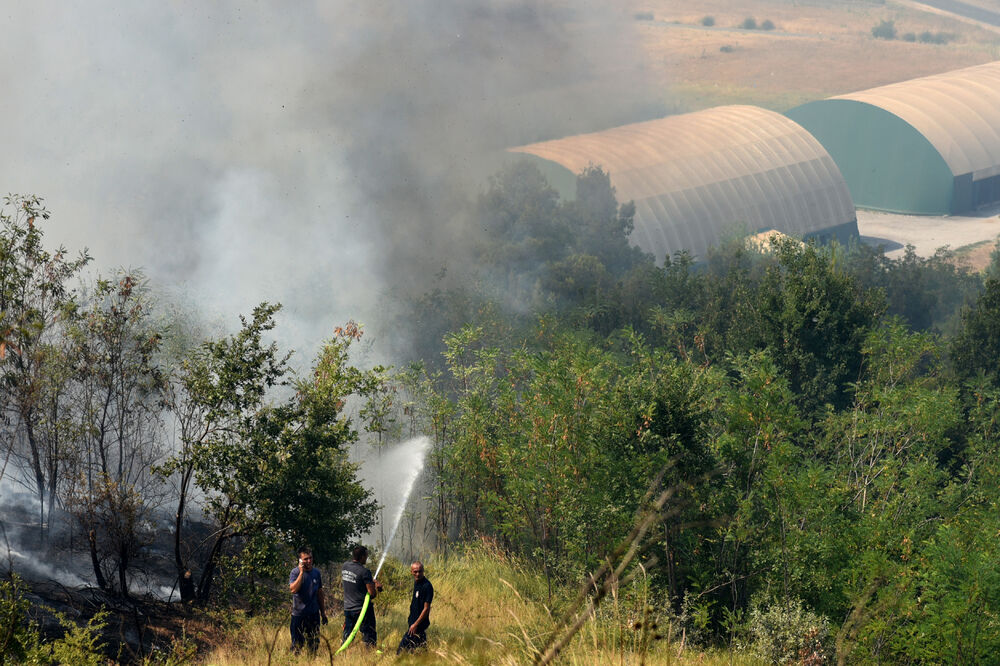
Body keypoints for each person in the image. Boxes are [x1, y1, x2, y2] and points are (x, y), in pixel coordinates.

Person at [341, 544, 382, 647]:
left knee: (348, 634)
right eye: (366, 556)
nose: (367, 559)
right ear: (362, 557)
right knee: (369, 634)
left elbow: (356, 581)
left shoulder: (345, 566)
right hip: (361, 609)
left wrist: (368, 581)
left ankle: (344, 654)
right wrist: (377, 587)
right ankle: (369, 655)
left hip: (348, 608)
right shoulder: (365, 572)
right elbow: (372, 594)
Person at [288, 546, 327, 655]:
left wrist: (323, 613)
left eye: (310, 558)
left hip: (313, 614)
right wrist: (301, 573)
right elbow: (293, 589)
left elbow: (320, 593)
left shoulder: (316, 573)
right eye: (305, 559)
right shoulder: (295, 572)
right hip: (298, 615)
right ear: (300, 560)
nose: (309, 561)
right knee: (297, 645)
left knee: (314, 644)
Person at [397, 560, 434, 654]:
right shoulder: (416, 582)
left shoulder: (427, 586)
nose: (418, 574)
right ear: (411, 572)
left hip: (418, 624)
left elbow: (426, 608)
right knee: (419, 650)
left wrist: (415, 624)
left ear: (423, 571)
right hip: (413, 623)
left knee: (401, 650)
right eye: (415, 571)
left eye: (420, 571)